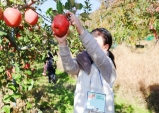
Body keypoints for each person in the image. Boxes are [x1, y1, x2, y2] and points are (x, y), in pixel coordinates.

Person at [54, 11, 117, 113]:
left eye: (95, 40)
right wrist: (62, 43)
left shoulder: (107, 65)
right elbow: (69, 67)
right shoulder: (84, 62)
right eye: (90, 38)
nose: (91, 41)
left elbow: (96, 53)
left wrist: (80, 28)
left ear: (106, 47)